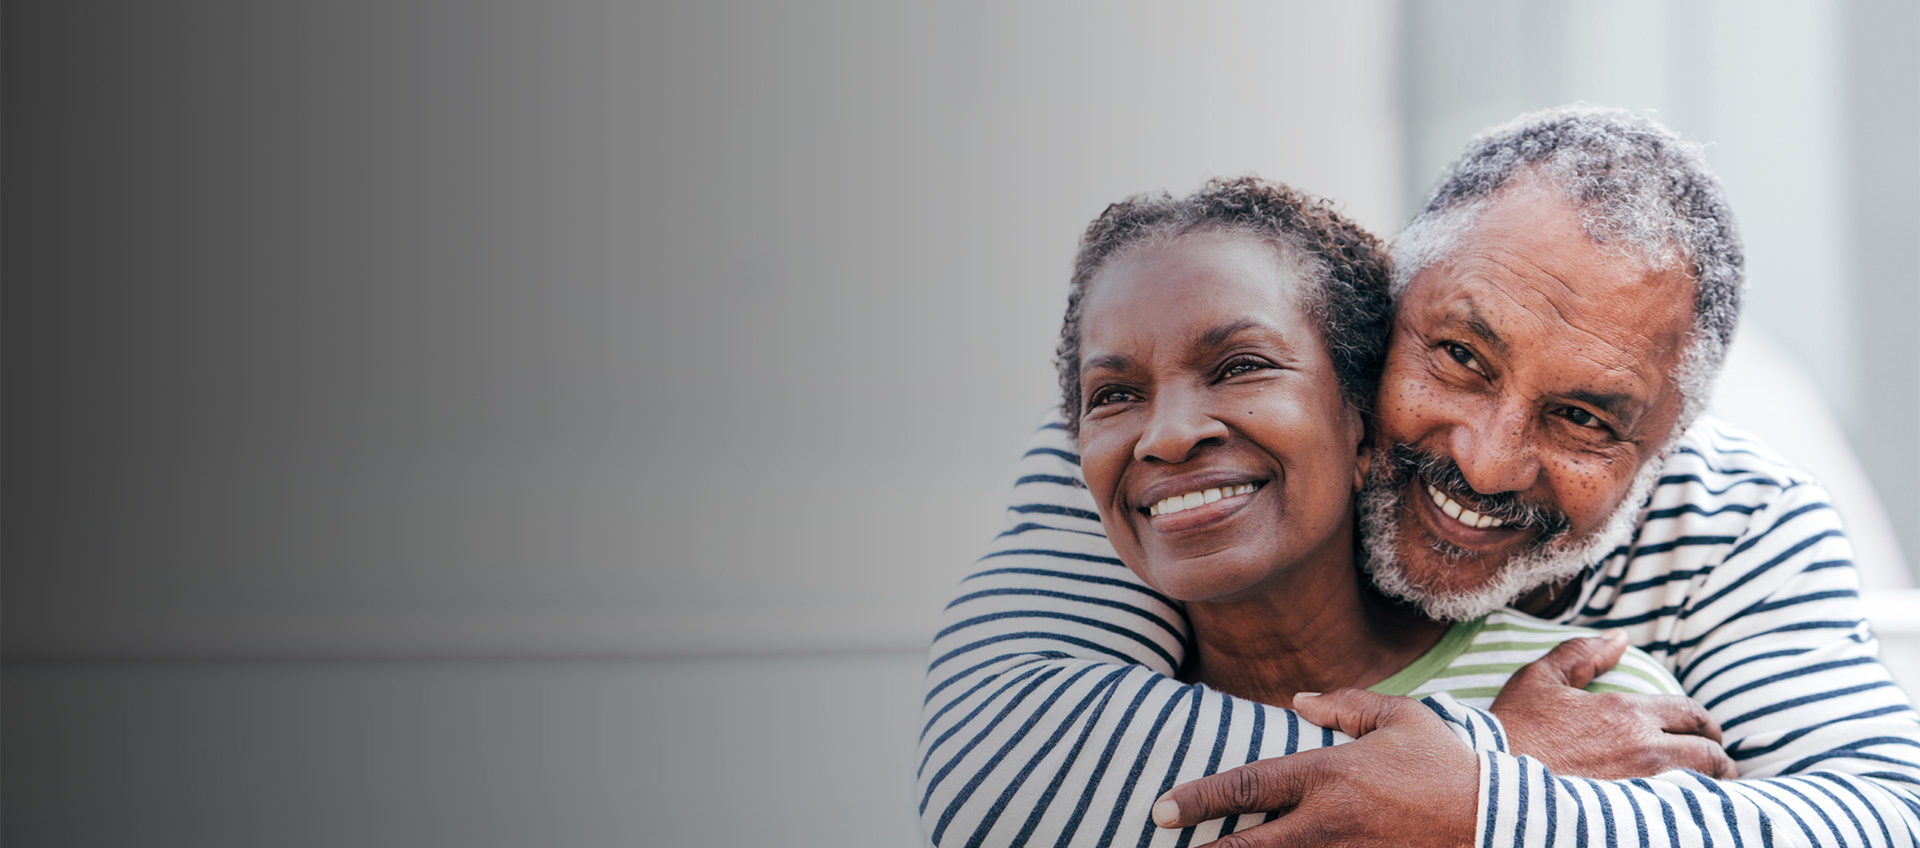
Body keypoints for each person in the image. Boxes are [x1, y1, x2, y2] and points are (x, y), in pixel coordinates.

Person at [919, 105, 1920, 847]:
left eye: (1582, 417)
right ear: (1392, 294)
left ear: (1668, 444)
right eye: (1459, 355)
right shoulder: (1184, 448)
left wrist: (1480, 804)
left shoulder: (1739, 520)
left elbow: (1881, 817)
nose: (1484, 456)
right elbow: (1007, 762)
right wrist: (1489, 759)